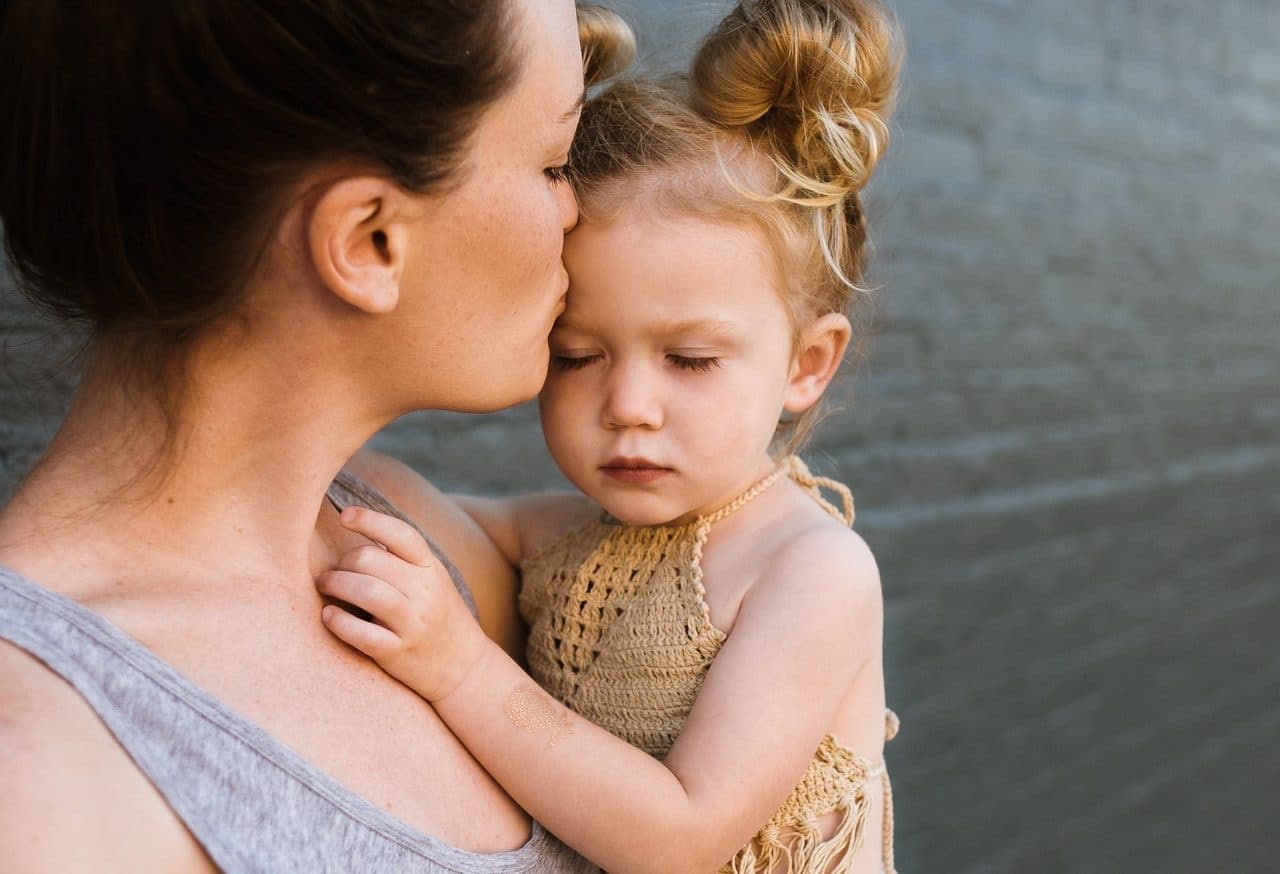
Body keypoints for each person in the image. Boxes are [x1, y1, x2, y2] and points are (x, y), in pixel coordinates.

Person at [0, 1, 633, 870]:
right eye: (555, 162)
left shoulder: (412, 543)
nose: (577, 211)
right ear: (370, 241)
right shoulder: (40, 773)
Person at [313, 1, 905, 872]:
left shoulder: (809, 573)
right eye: (578, 354)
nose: (629, 403)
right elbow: (399, 504)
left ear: (806, 364)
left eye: (691, 360)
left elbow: (680, 837)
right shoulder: (564, 540)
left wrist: (461, 668)